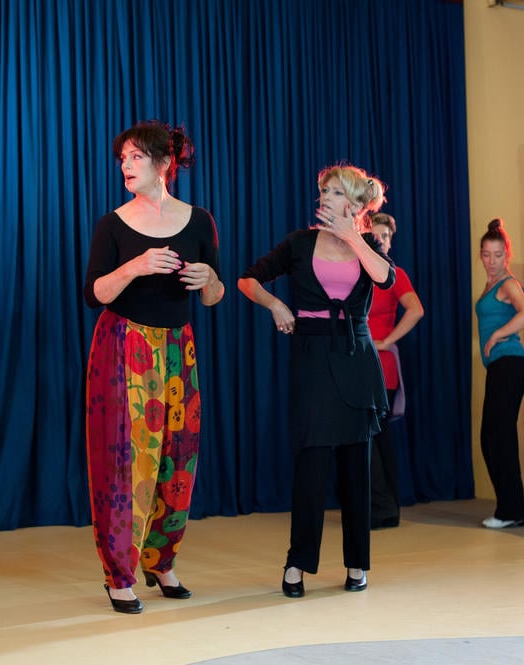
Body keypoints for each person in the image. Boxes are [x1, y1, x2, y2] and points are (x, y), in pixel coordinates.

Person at [83, 121, 223, 614]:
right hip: (124, 346)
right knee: (126, 460)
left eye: (136, 157)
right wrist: (134, 267)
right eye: (122, 157)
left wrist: (210, 280)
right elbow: (92, 294)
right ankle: (119, 575)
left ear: (165, 163)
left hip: (178, 349)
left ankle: (161, 561)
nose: (126, 164)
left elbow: (212, 295)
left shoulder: (199, 221)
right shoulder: (113, 224)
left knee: (177, 457)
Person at [238, 164, 394, 598]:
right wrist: (275, 305)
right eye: (322, 191)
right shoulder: (299, 243)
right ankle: (297, 563)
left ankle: (357, 563)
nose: (323, 197)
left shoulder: (368, 245)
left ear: (356, 204)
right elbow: (247, 279)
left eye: (334, 192)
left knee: (355, 470)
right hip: (311, 357)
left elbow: (385, 278)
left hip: (356, 358)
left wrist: (352, 237)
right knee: (311, 464)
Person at [475, 218, 524, 529]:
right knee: (491, 437)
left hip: (510, 362)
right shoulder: (489, 285)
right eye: (486, 254)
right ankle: (510, 507)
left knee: (499, 437)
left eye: (498, 254)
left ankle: (513, 510)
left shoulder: (508, 283)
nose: (492, 261)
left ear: (506, 254)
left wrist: (497, 335)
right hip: (501, 365)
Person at [367, 213, 424, 529]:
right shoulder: (359, 273)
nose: (382, 242)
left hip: (381, 366)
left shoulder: (394, 274)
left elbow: (416, 310)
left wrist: (387, 340)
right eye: (376, 236)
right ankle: (385, 507)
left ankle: (382, 508)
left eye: (386, 237)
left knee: (374, 439)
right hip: (358, 364)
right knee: (377, 439)